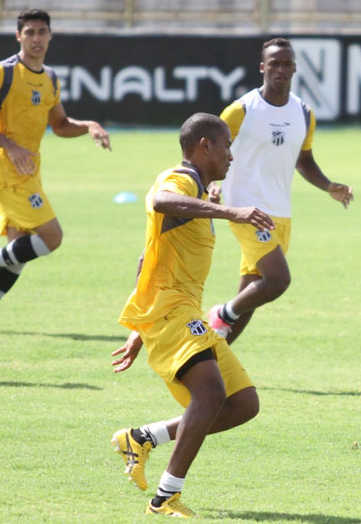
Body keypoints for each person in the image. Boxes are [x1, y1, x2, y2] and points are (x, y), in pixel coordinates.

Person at [110, 113, 274, 517]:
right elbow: (160, 201)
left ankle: (142, 437)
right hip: (171, 308)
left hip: (175, 310)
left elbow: (148, 256)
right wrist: (231, 212)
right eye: (226, 146)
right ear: (205, 146)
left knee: (243, 403)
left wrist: (139, 328)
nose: (231, 156)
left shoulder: (198, 193)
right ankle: (166, 496)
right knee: (211, 394)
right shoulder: (179, 180)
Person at [0, 8, 111, 332]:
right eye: (29, 32)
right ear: (18, 36)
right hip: (8, 171)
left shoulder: (50, 77)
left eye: (42, 32)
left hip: (29, 171)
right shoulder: (2, 73)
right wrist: (10, 146)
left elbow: (61, 125)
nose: (36, 38)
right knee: (52, 237)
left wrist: (89, 125)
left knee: (19, 252)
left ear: (50, 36)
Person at [207, 38, 354, 344]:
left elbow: (304, 160)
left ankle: (212, 358)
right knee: (277, 280)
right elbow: (208, 149)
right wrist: (210, 183)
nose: (280, 69)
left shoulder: (304, 113)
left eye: (287, 64)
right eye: (274, 63)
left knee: (254, 290)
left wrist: (328, 186)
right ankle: (222, 313)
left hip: (281, 213)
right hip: (246, 209)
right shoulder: (241, 110)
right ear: (262, 67)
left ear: (295, 68)